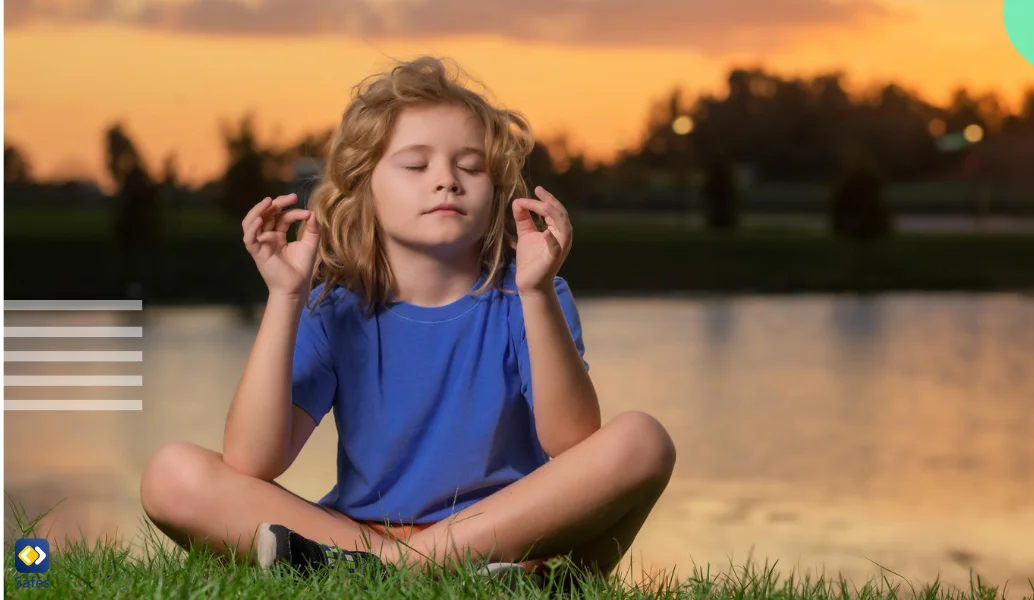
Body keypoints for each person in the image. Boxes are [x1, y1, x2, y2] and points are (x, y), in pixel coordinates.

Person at [138, 56, 676, 581]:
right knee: (171, 475)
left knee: (642, 441)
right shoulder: (333, 308)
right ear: (364, 187)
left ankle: (392, 574)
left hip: (504, 537)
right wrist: (285, 298)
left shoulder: (535, 295)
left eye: (471, 166)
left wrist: (535, 291)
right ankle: (414, 571)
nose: (447, 180)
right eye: (417, 165)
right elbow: (252, 460)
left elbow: (573, 445)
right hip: (357, 537)